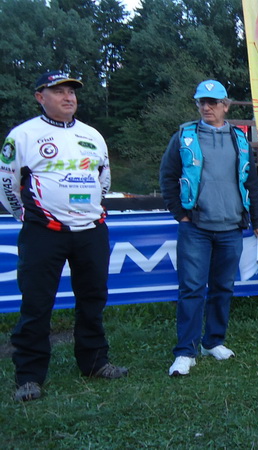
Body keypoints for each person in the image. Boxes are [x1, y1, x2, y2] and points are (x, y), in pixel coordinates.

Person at [0, 70, 128, 402]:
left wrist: (87, 210)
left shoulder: (92, 135)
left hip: (91, 230)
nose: (68, 97)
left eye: (71, 91)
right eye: (58, 91)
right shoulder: (23, 135)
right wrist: (29, 217)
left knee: (93, 298)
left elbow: (103, 180)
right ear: (40, 97)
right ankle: (29, 376)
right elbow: (7, 185)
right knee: (37, 303)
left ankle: (94, 362)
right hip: (44, 233)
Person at [160, 80, 258, 376]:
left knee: (223, 288)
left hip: (231, 227)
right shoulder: (184, 136)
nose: (206, 107)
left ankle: (213, 341)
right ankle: (186, 351)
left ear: (226, 106)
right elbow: (167, 176)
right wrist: (180, 214)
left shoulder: (240, 139)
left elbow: (252, 183)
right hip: (196, 227)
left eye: (213, 102)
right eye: (201, 102)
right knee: (192, 289)